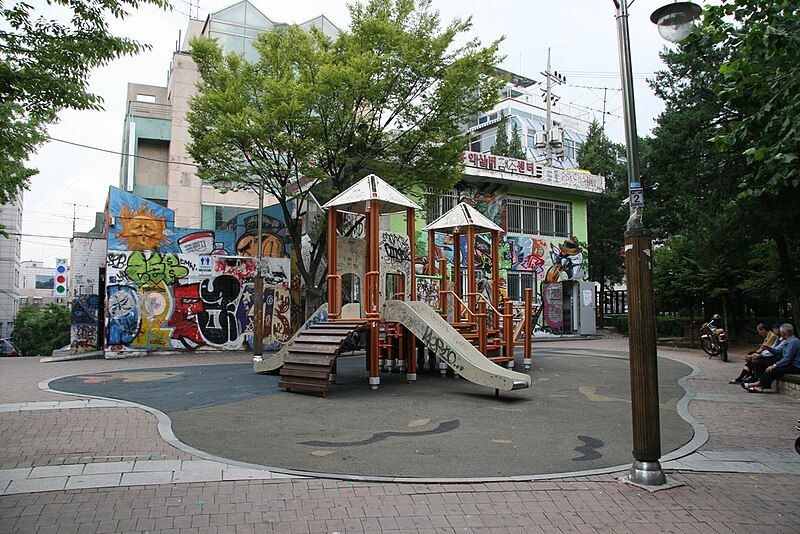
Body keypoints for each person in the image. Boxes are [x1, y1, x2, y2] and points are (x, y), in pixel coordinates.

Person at [744, 323, 800, 393]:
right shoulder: (789, 340)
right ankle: (759, 384)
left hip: (795, 367)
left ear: (783, 332)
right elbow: (779, 351)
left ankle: (760, 385)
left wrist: (774, 365)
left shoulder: (793, 342)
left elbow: (787, 359)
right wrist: (768, 348)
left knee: (772, 369)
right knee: (770, 367)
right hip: (790, 364)